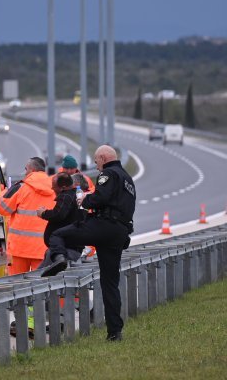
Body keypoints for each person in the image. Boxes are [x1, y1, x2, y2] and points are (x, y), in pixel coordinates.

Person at [41, 145, 136, 342]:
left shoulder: (108, 173)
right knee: (110, 283)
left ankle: (59, 258)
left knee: (59, 235)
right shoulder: (128, 179)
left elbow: (101, 198)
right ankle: (114, 332)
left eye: (96, 161)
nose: (96, 165)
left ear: (103, 158)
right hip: (120, 232)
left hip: (103, 227)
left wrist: (86, 199)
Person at [0, 157, 56, 274]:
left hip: (19, 248)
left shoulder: (21, 187)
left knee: (17, 287)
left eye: (25, 169)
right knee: (41, 286)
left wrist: (5, 191)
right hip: (43, 248)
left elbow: (2, 208)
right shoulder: (54, 188)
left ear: (31, 170)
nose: (25, 172)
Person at [36, 172, 83, 268]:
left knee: (43, 274)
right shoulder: (77, 195)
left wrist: (43, 213)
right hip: (70, 246)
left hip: (64, 248)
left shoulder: (66, 196)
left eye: (54, 186)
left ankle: (59, 258)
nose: (52, 189)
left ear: (63, 187)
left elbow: (59, 214)